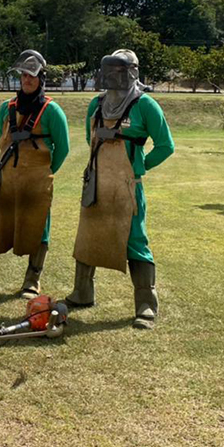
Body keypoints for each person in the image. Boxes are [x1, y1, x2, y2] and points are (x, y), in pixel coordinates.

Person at [66, 49, 174, 329]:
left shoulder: (146, 105)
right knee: (88, 235)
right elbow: (89, 140)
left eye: (120, 71)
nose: (113, 76)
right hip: (96, 182)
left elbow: (165, 146)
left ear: (133, 72)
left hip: (128, 187)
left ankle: (146, 306)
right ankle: (82, 293)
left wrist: (139, 168)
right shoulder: (96, 104)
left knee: (135, 240)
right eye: (109, 71)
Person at [0, 50, 70, 299]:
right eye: (23, 75)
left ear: (41, 78)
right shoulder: (6, 108)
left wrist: (44, 171)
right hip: (7, 178)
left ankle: (32, 282)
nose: (27, 80)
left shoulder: (52, 111)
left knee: (38, 228)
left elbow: (63, 149)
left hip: (37, 181)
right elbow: (1, 141)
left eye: (32, 76)